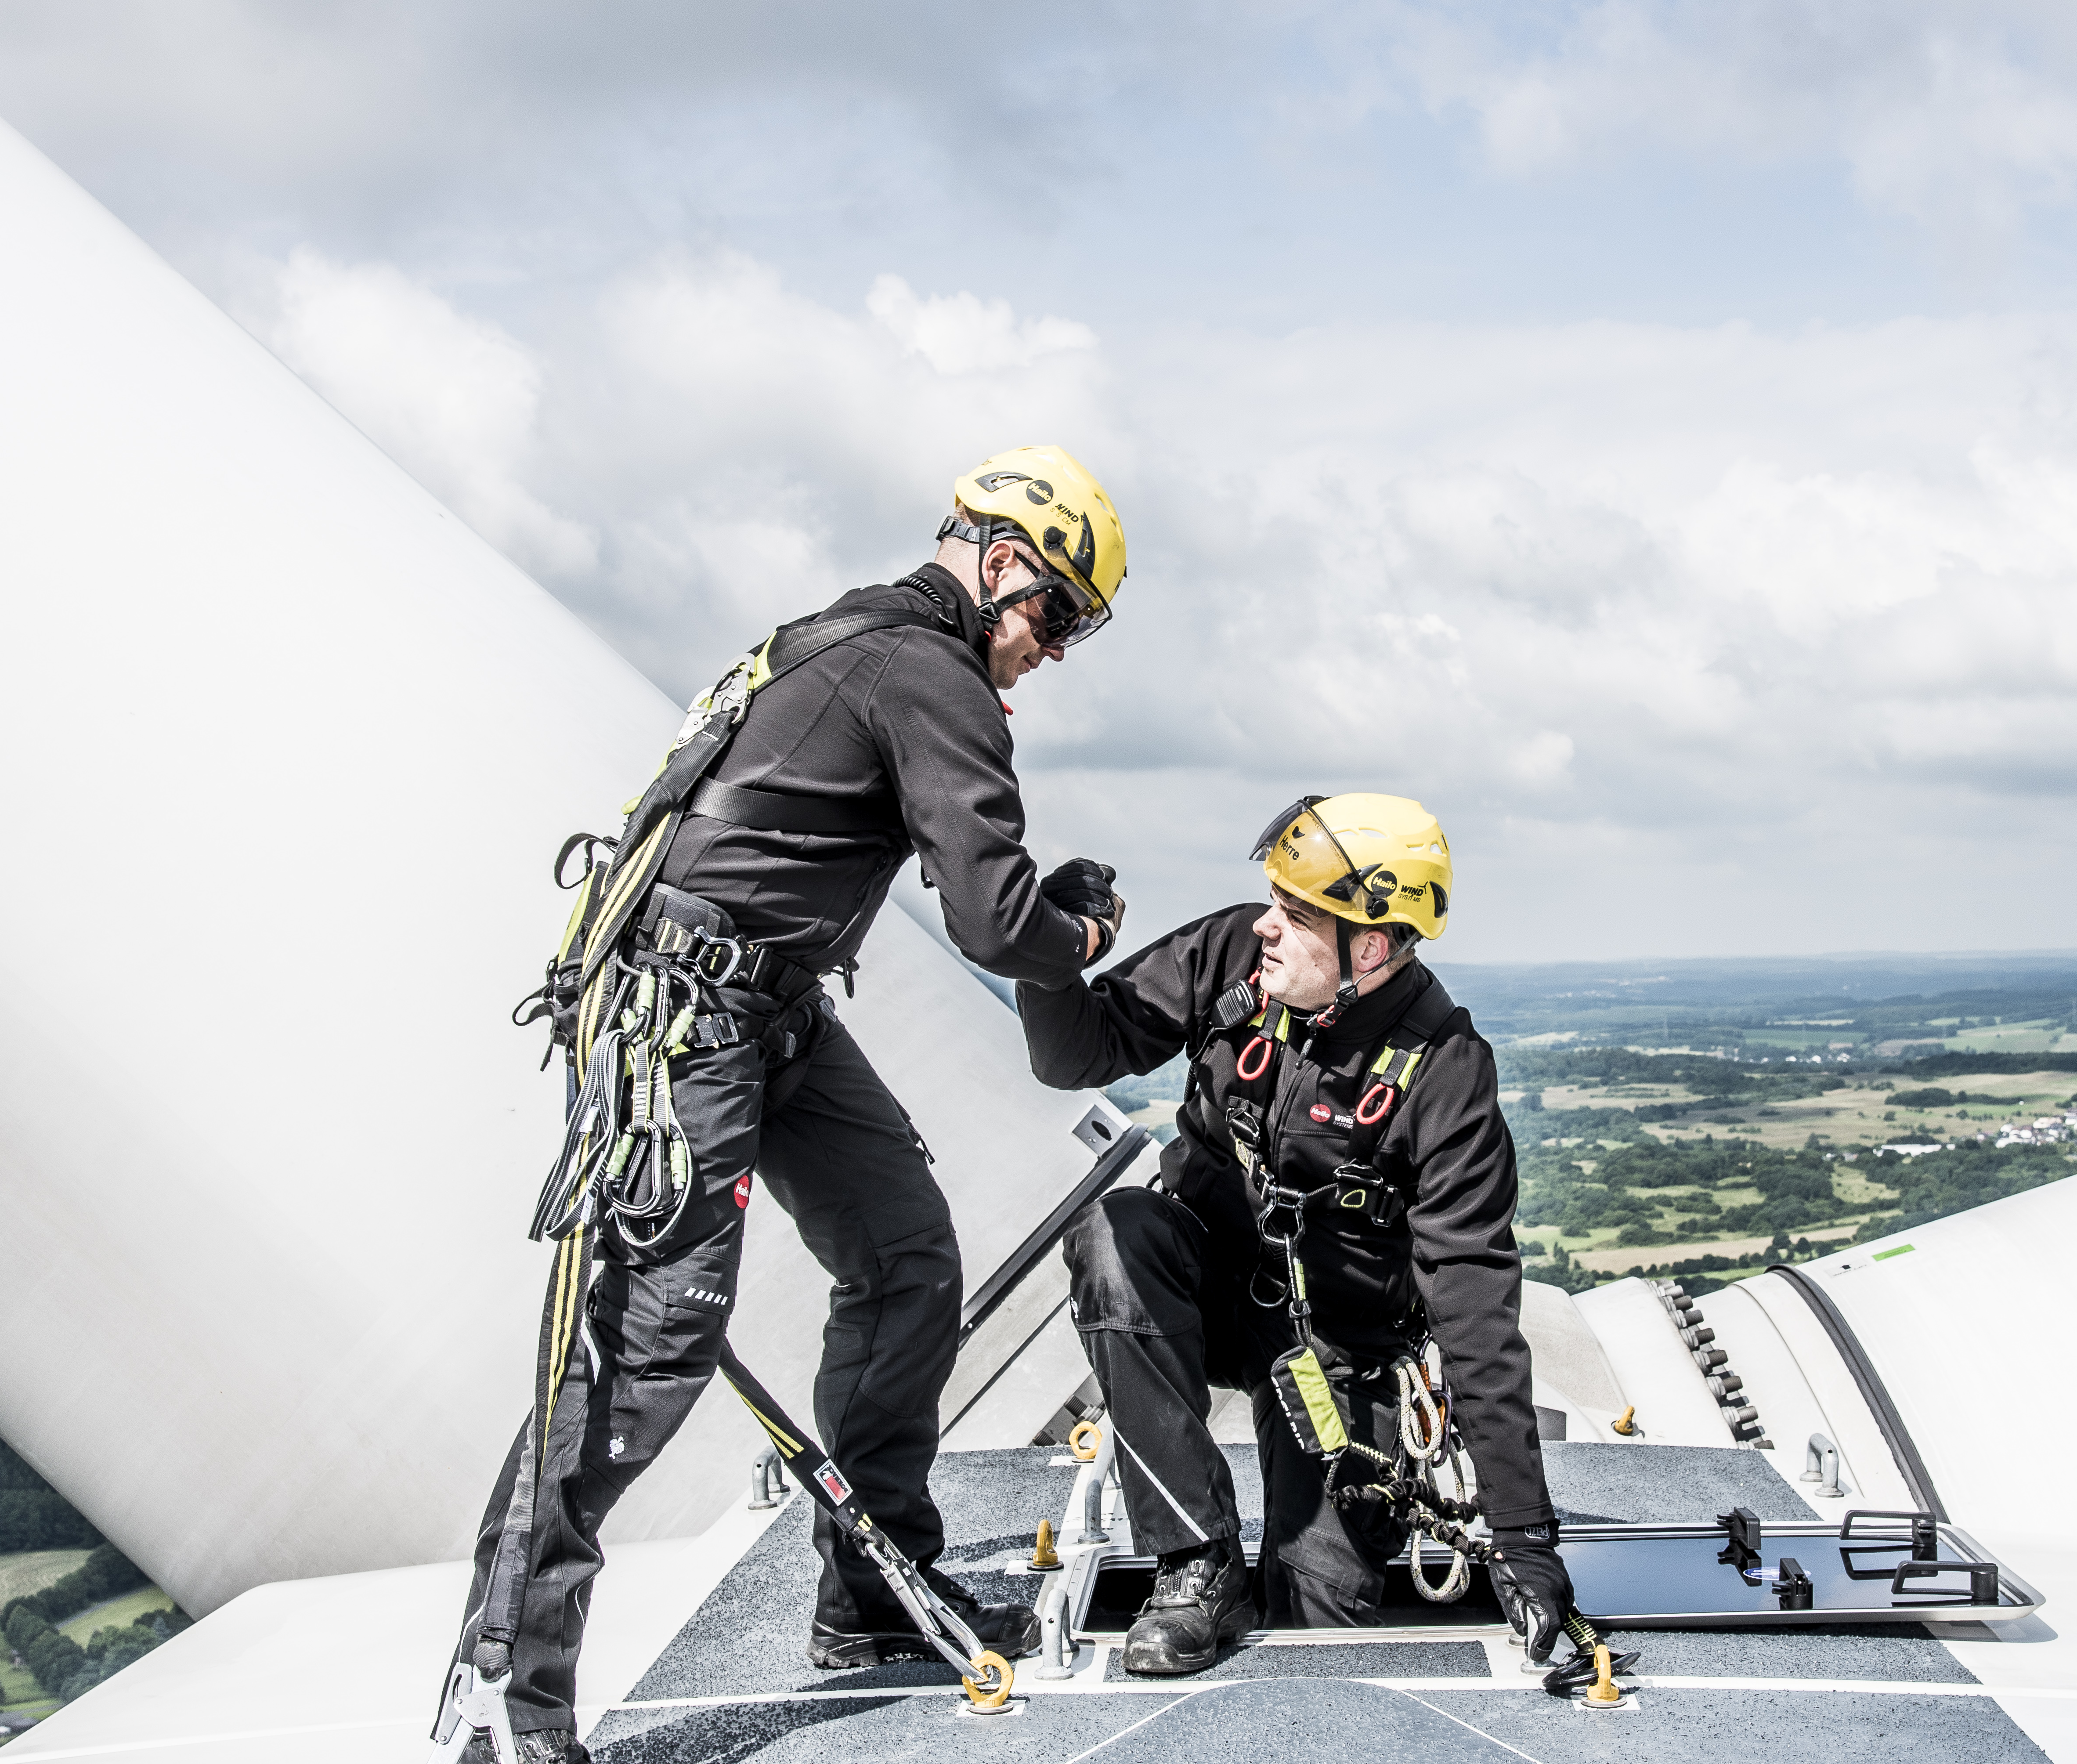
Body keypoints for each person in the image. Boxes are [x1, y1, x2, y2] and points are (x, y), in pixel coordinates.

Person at [450, 447, 1136, 1762]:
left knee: (904, 1255)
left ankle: (871, 1592)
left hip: (760, 1009)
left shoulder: (847, 638)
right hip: (693, 1024)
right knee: (646, 1355)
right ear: (999, 560)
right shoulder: (927, 673)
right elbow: (998, 922)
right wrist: (1085, 930)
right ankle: (507, 1702)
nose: (1051, 649)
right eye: (1054, 612)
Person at [1016, 794, 1571, 1677]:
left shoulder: (1445, 1073)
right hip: (1207, 1294)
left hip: (1341, 1351)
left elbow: (1473, 1306)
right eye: (1273, 901)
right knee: (1116, 1232)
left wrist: (1524, 1539)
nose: (1266, 929)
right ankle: (1194, 1566)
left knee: (1317, 1617)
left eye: (1297, 914)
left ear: (1373, 947)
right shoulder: (1233, 954)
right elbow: (1071, 1054)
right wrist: (1041, 951)